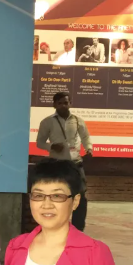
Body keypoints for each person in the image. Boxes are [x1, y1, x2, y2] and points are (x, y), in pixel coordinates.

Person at [36, 92, 93, 231]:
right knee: (57, 195)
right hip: (57, 164)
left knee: (80, 196)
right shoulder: (47, 122)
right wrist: (51, 146)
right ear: (54, 105)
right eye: (60, 103)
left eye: (66, 103)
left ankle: (78, 229)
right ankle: (57, 226)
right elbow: (39, 142)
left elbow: (85, 137)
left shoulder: (78, 120)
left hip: (76, 164)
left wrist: (89, 149)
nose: (63, 105)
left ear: (70, 104)